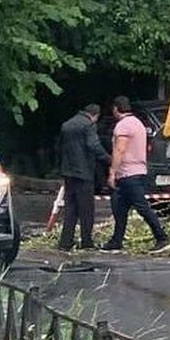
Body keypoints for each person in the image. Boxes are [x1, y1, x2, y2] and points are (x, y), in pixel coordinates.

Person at [101, 95, 170, 254]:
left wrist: (112, 172)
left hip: (128, 174)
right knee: (120, 208)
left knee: (142, 207)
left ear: (115, 109)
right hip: (138, 171)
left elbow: (120, 150)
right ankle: (116, 241)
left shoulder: (123, 126)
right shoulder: (138, 123)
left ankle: (162, 238)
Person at [57, 104, 112, 251]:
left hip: (68, 172)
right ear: (95, 115)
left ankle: (65, 241)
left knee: (70, 208)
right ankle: (86, 242)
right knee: (86, 209)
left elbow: (60, 147)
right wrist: (109, 159)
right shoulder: (88, 125)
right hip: (84, 173)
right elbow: (93, 145)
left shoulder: (67, 124)